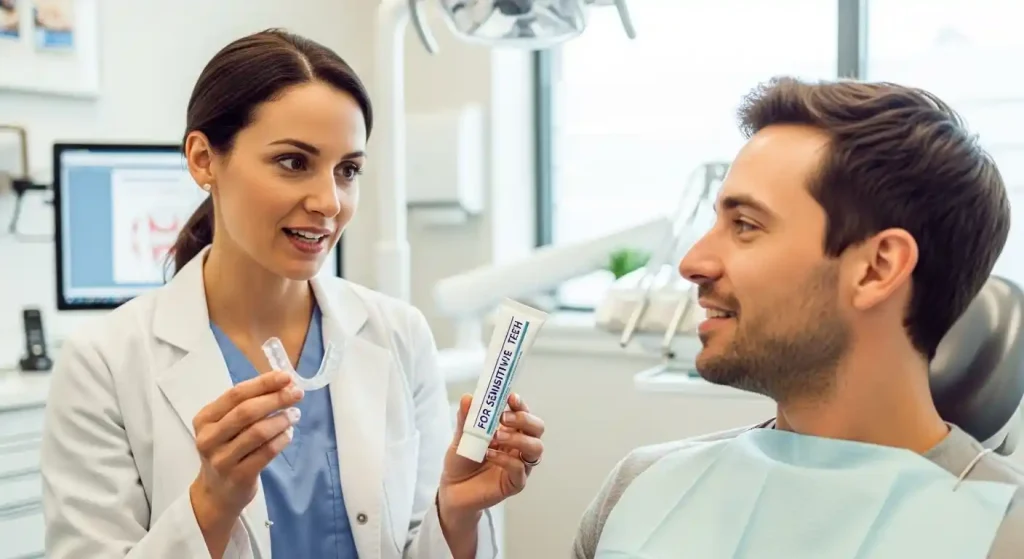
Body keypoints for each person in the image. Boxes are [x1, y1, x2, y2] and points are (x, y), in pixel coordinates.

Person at [40, 29, 545, 559]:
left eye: (347, 170)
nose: (329, 202)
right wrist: (211, 503)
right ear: (203, 159)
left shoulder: (398, 333)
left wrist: (458, 512)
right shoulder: (104, 361)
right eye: (293, 162)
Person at [573, 77, 1024, 558]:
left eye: (745, 225)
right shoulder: (640, 492)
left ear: (877, 268)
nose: (693, 263)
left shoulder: (1005, 533)